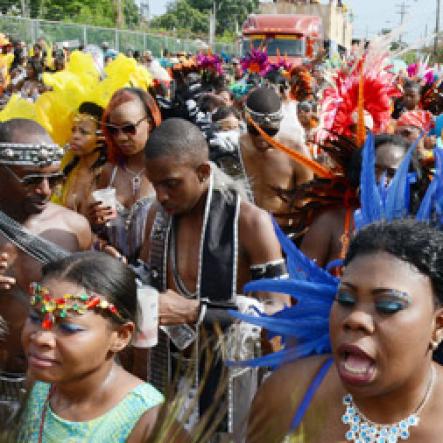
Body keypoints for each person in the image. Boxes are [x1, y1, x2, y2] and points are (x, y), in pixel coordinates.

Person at [139, 118, 290, 435]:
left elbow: (280, 315)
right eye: (155, 185)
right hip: (169, 377)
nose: (162, 195)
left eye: (171, 183)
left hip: (232, 387)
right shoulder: (157, 215)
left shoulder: (250, 222)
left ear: (203, 173)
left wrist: (196, 312)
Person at [247, 219, 443, 442]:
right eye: (346, 299)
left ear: (437, 326)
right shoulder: (289, 394)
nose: (355, 318)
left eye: (388, 305)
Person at [19, 252, 165, 442]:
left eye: (68, 328)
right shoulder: (41, 382)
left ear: (120, 336)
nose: (41, 338)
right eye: (36, 318)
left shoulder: (147, 419)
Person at [0, 119, 92, 384]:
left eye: (54, 179)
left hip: (52, 385)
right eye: (31, 180)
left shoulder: (74, 229)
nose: (45, 191)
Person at [300, 134, 418, 269]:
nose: (380, 179)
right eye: (374, 169)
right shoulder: (330, 220)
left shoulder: (418, 227)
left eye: (392, 173)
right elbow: (300, 280)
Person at [88, 87, 161, 263]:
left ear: (149, 123)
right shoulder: (107, 172)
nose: (120, 137)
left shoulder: (164, 170)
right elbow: (91, 233)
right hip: (115, 274)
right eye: (114, 130)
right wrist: (102, 242)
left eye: (129, 128)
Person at [239, 87, 313, 237]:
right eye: (255, 131)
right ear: (245, 120)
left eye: (269, 133)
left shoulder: (296, 153)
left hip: (284, 236)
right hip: (245, 234)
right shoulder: (236, 147)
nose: (262, 140)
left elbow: (305, 206)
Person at [53, 102, 105, 217]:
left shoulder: (107, 174)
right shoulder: (67, 170)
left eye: (84, 132)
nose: (75, 136)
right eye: (73, 130)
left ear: (101, 137)